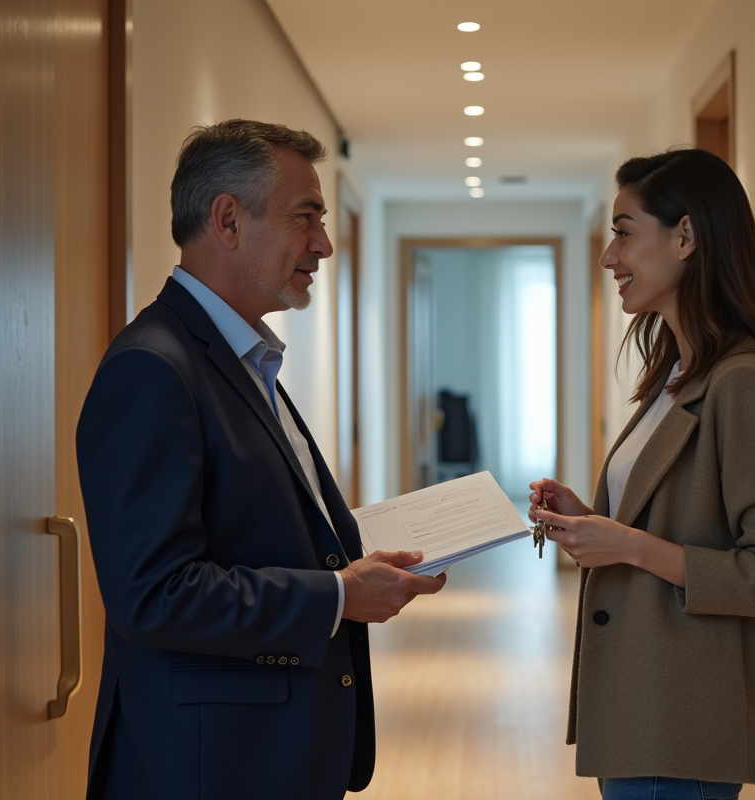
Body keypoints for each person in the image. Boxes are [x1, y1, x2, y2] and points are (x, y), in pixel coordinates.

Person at [76, 119, 447, 800]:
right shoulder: (152, 369)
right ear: (227, 220)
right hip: (206, 768)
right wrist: (339, 594)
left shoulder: (243, 360)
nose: (325, 245)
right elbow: (153, 593)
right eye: (306, 218)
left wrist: (350, 562)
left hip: (266, 756)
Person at [529, 148, 755, 799]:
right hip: (642, 703)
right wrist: (592, 518)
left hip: (682, 725)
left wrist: (628, 544)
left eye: (624, 232)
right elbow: (670, 515)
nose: (608, 257)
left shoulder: (740, 382)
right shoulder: (676, 374)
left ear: (685, 236)